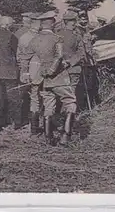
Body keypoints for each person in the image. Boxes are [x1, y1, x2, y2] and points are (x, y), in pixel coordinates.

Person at [23, 11, 77, 146]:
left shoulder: (34, 40)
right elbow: (59, 56)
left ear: (41, 24)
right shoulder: (57, 38)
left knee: (48, 106)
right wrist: (53, 70)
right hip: (59, 76)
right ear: (52, 23)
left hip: (44, 78)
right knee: (70, 102)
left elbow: (25, 57)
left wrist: (25, 72)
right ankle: (66, 135)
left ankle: (48, 138)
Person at [17, 12, 43, 136]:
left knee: (36, 98)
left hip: (37, 72)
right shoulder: (27, 38)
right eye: (39, 22)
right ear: (33, 22)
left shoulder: (25, 37)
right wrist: (25, 72)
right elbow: (22, 57)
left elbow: (20, 57)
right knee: (37, 97)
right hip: (37, 72)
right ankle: (36, 126)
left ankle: (36, 126)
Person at [57, 10, 85, 108]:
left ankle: (63, 116)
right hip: (70, 69)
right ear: (67, 22)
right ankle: (67, 117)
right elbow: (81, 53)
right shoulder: (76, 36)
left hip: (62, 69)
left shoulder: (57, 34)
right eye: (72, 21)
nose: (74, 23)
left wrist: (66, 62)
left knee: (62, 93)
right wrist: (70, 62)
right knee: (70, 95)